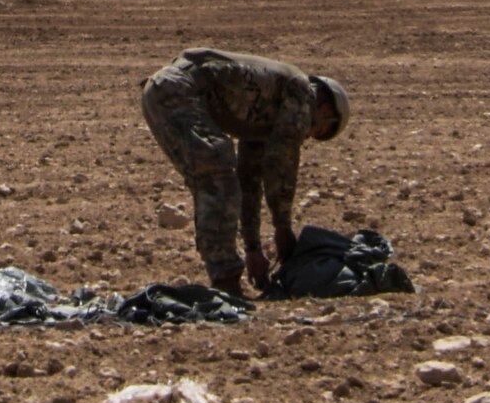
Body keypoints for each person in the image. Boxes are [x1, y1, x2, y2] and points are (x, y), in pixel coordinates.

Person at [141, 47, 349, 297]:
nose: (307, 134)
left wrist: (253, 249)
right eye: (318, 129)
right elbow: (281, 161)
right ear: (327, 109)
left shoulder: (266, 114)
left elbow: (249, 181)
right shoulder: (303, 93)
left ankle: (225, 279)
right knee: (216, 178)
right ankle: (226, 283)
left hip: (165, 91)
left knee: (217, 179)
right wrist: (282, 227)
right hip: (176, 91)